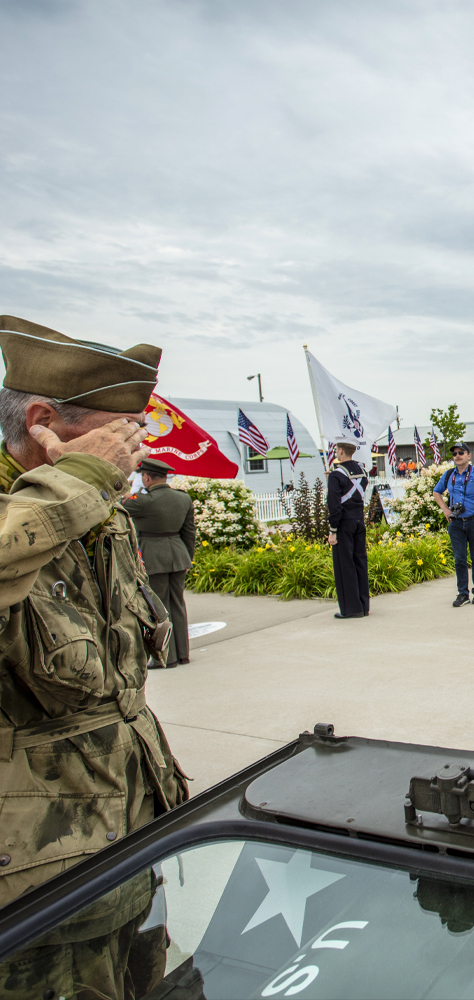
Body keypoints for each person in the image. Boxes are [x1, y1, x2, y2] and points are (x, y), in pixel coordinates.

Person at [0, 315, 188, 995]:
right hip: (41, 898)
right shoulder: (63, 497)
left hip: (131, 848)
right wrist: (77, 479)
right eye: (118, 435)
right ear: (45, 421)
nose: (131, 454)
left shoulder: (98, 515)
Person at [122, 457, 196, 668]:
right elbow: (189, 532)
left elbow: (119, 504)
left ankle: (166, 656)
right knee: (178, 605)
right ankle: (182, 654)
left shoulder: (142, 501)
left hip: (154, 557)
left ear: (146, 477)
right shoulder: (183, 498)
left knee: (158, 607)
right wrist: (186, 557)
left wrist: (125, 489)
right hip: (178, 555)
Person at [433, 441, 474, 607]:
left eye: (461, 453)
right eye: (454, 454)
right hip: (456, 523)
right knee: (459, 559)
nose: (457, 456)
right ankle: (462, 593)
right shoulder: (449, 475)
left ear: (469, 455)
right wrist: (445, 509)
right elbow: (436, 492)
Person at [328, 441, 369, 618]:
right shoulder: (362, 473)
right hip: (359, 521)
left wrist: (333, 529)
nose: (336, 452)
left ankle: (351, 609)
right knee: (360, 562)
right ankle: (363, 605)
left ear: (341, 451)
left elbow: (335, 506)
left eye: (337, 450)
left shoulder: (336, 475)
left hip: (344, 523)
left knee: (345, 565)